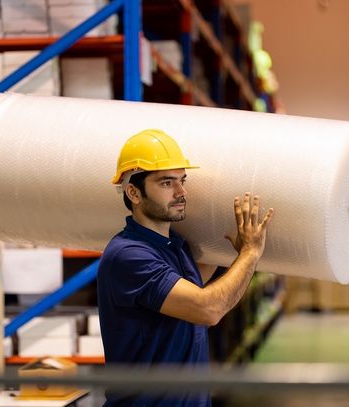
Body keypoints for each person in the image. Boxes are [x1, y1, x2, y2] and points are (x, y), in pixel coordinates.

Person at [97, 129, 274, 406]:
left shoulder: (172, 246)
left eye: (182, 180)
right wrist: (250, 253)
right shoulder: (129, 255)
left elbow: (196, 287)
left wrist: (234, 250)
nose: (182, 192)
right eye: (167, 183)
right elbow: (208, 308)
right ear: (133, 192)